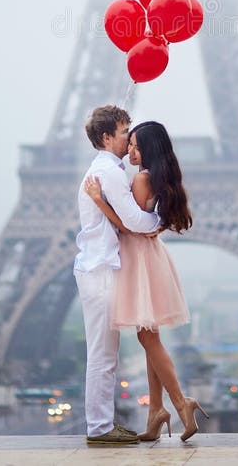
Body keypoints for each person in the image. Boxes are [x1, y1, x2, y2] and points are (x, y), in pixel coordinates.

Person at [84, 120, 209, 443]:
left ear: (149, 149)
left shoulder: (141, 178)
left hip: (138, 260)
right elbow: (151, 224)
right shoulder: (159, 178)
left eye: (137, 145)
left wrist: (99, 201)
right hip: (151, 257)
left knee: (147, 338)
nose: (131, 150)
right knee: (148, 334)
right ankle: (156, 411)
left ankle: (181, 403)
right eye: (130, 142)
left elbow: (130, 227)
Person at [74, 105, 160, 446]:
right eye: (125, 132)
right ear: (107, 136)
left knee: (106, 354)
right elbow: (134, 221)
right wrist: (160, 224)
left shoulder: (107, 170)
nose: (129, 138)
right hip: (100, 271)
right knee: (103, 354)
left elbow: (123, 221)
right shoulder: (108, 173)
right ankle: (99, 428)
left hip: (100, 268)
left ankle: (102, 424)